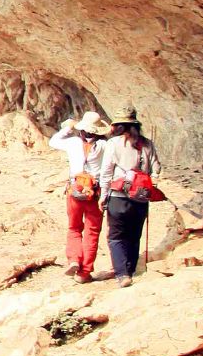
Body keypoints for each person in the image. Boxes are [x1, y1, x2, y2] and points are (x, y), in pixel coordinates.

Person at [99, 106, 161, 286]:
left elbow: (106, 172)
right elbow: (156, 169)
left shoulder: (113, 144)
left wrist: (103, 195)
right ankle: (131, 268)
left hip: (118, 196)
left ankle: (122, 274)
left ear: (119, 126)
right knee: (134, 235)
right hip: (141, 197)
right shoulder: (148, 143)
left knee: (116, 236)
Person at [49, 108, 109, 281]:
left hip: (75, 189)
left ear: (82, 129)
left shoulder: (74, 142)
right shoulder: (104, 146)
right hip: (95, 191)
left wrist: (68, 127)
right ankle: (85, 272)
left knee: (74, 227)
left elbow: (53, 141)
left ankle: (74, 259)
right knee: (92, 230)